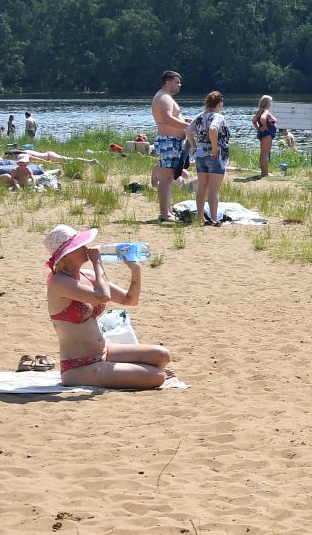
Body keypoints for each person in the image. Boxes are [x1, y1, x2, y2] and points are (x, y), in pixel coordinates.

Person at [42, 224, 173, 388]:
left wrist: (136, 270)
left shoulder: (88, 276)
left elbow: (130, 300)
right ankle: (145, 374)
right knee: (158, 377)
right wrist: (97, 262)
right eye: (79, 246)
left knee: (163, 355)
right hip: (79, 366)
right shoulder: (59, 282)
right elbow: (102, 296)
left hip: (104, 352)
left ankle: (141, 373)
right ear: (66, 255)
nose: (86, 248)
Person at [151, 71, 189, 223]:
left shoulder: (165, 97)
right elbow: (167, 118)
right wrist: (188, 126)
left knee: (169, 176)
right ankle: (165, 213)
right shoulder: (164, 97)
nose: (179, 85)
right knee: (166, 178)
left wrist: (185, 121)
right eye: (177, 82)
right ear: (168, 82)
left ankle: (167, 210)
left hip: (171, 141)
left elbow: (172, 118)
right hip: (168, 141)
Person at [189, 91, 231, 225]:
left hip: (200, 155)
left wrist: (195, 146)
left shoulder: (200, 116)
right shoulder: (218, 117)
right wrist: (214, 147)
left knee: (202, 188)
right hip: (215, 155)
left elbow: (188, 131)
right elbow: (213, 129)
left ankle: (199, 217)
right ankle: (214, 218)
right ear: (219, 103)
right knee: (213, 190)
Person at [251, 95, 278, 178]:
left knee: (263, 153)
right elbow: (263, 118)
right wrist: (265, 125)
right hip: (267, 133)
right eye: (270, 102)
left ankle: (263, 172)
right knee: (265, 154)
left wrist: (258, 128)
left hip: (262, 133)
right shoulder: (265, 111)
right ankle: (265, 173)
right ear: (268, 103)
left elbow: (253, 121)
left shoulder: (259, 110)